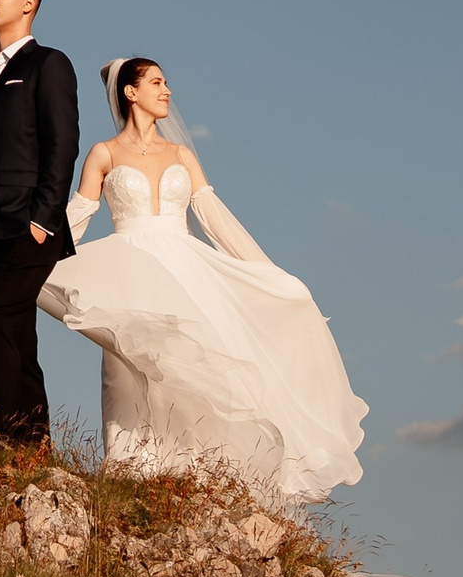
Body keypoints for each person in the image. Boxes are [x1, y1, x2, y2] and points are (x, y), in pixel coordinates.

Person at [39, 58, 366, 499]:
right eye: (157, 82)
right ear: (131, 93)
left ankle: (197, 477)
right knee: (131, 370)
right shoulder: (104, 153)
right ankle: (132, 478)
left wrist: (268, 274)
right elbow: (78, 214)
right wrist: (33, 257)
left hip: (185, 272)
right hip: (130, 275)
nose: (167, 91)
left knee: (198, 370)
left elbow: (214, 218)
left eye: (166, 83)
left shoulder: (181, 155)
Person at [0, 0, 79, 452]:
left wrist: (43, 219)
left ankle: (4, 432)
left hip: (29, 225)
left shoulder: (49, 64)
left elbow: (62, 145)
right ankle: (32, 441)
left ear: (29, 2)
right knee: (15, 332)